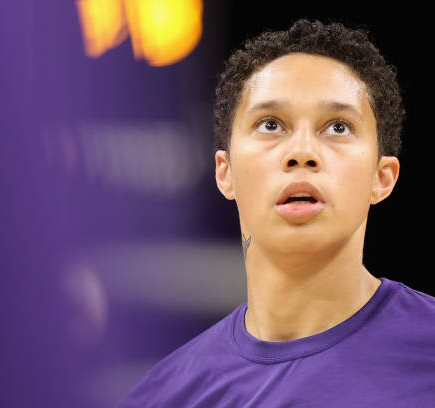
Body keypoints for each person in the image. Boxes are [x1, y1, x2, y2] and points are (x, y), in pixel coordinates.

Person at [115, 19, 435, 407]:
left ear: (382, 177)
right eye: (271, 124)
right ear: (225, 172)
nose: (302, 151)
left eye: (337, 127)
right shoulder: (162, 397)